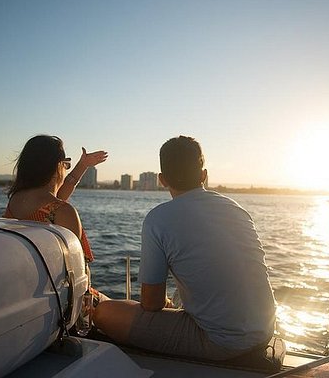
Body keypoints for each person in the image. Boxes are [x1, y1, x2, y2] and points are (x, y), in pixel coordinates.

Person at [93, 135, 276, 362]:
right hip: (265, 330)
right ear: (204, 175)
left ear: (161, 179)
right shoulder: (235, 208)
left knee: (104, 313)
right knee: (179, 294)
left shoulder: (158, 218)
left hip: (222, 342)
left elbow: (151, 304)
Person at [3, 134, 108, 301]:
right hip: (67, 301)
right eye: (66, 164)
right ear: (56, 167)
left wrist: (83, 165)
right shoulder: (62, 211)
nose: (66, 169)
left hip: (29, 290)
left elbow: (63, 189)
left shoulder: (16, 201)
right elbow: (76, 270)